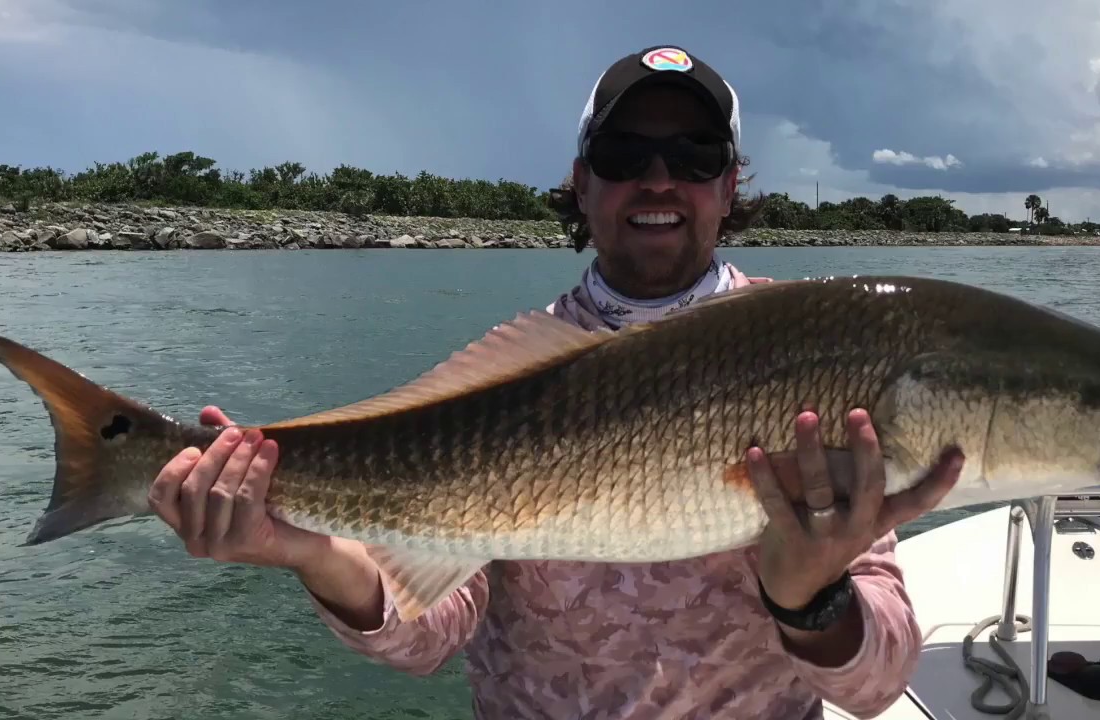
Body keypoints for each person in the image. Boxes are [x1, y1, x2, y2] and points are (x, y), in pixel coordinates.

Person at [147, 45, 964, 719]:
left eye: (694, 156)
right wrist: (304, 549)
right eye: (623, 155)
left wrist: (811, 597)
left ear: (728, 187)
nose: (658, 178)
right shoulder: (515, 377)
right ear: (582, 183)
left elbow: (875, 686)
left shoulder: (819, 353)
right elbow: (425, 635)